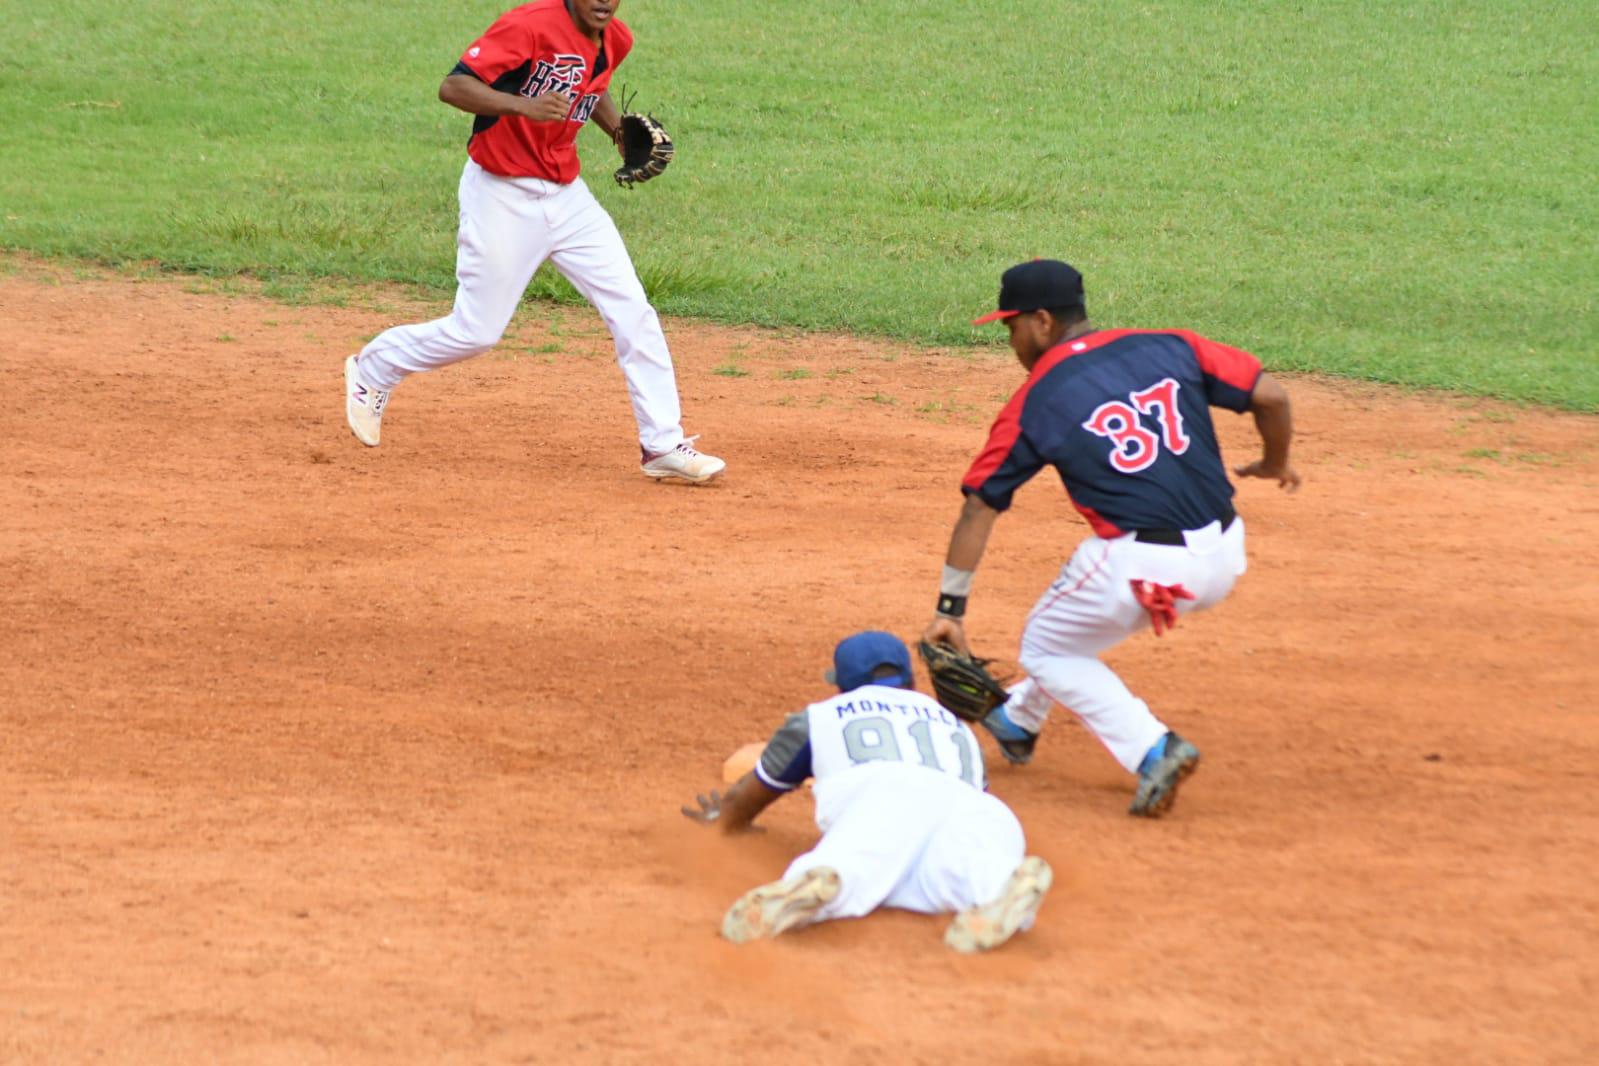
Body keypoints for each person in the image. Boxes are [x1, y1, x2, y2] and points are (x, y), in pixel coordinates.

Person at [922, 259, 1301, 817]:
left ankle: (1154, 749)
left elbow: (980, 505)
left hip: (1139, 566)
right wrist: (1274, 462)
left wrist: (950, 609)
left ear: (1043, 321)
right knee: (1077, 624)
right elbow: (1271, 397)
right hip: (1225, 554)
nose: (1011, 340)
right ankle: (1019, 722)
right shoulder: (1172, 344)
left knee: (1046, 646)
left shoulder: (1036, 400)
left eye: (1011, 326)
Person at [343, 0, 725, 484]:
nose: (604, 2)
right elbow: (453, 86)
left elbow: (592, 88)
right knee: (476, 332)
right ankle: (376, 366)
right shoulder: (528, 25)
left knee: (633, 309)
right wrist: (523, 105)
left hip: (568, 198)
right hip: (500, 194)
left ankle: (663, 444)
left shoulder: (617, 39)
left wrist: (616, 134)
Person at [681, 631, 1051, 953]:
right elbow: (958, 800)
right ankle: (997, 887)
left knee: (861, 860)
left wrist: (725, 819)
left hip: (879, 797)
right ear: (909, 682)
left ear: (843, 684)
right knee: (959, 862)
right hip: (978, 808)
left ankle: (814, 881)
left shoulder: (822, 716)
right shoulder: (957, 727)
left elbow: (746, 799)